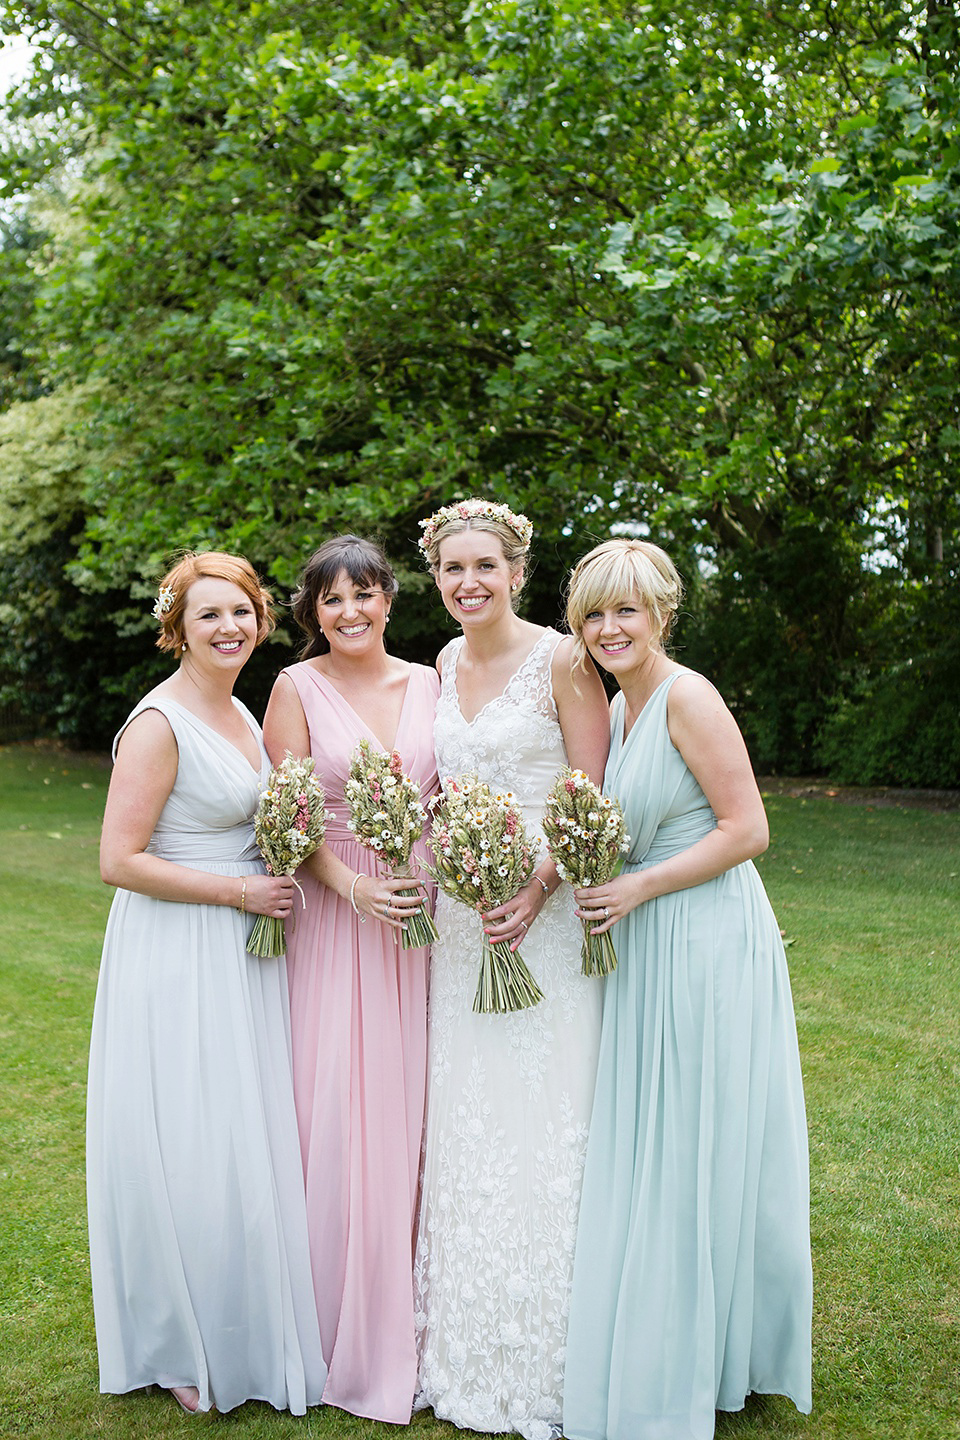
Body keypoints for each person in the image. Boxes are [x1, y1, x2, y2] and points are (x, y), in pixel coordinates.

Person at [562, 538, 813, 1440]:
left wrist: (637, 885)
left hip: (704, 936)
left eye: (625, 610)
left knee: (698, 1137)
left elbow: (750, 828)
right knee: (664, 1137)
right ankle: (685, 1337)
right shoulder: (623, 711)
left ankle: (708, 1352)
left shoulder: (687, 696)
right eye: (593, 613)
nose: (609, 628)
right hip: (651, 943)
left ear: (661, 612)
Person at [86, 551, 327, 1417]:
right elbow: (119, 859)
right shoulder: (160, 722)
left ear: (262, 622)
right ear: (176, 630)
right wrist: (237, 888)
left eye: (242, 613)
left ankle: (237, 1320)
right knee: (184, 1138)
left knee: (239, 1136)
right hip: (178, 948)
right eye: (209, 616)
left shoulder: (241, 713)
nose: (229, 628)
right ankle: (176, 1341)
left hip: (243, 946)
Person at [413, 498, 611, 1440]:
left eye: (484, 566)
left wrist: (535, 888)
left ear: (519, 571)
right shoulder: (444, 663)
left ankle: (560, 1347)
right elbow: (444, 791)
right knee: (470, 1117)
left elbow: (588, 796)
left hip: (547, 906)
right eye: (453, 570)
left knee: (547, 1112)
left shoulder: (565, 662)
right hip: (467, 922)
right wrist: (459, 868)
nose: (468, 584)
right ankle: (463, 1338)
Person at [262, 535, 439, 1424]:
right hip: (339, 913)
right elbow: (286, 821)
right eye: (332, 601)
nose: (350, 612)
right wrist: (352, 883)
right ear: (312, 612)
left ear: (388, 599)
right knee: (335, 1105)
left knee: (413, 1106)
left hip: (422, 911)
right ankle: (332, 1319)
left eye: (364, 595)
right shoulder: (295, 690)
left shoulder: (433, 680)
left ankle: (416, 1310)